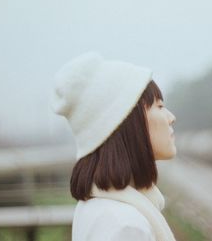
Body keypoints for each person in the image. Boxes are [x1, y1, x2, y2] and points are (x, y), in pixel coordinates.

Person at [50, 52, 177, 241]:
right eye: (159, 106)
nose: (171, 117)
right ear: (129, 123)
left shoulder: (99, 208)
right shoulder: (125, 227)